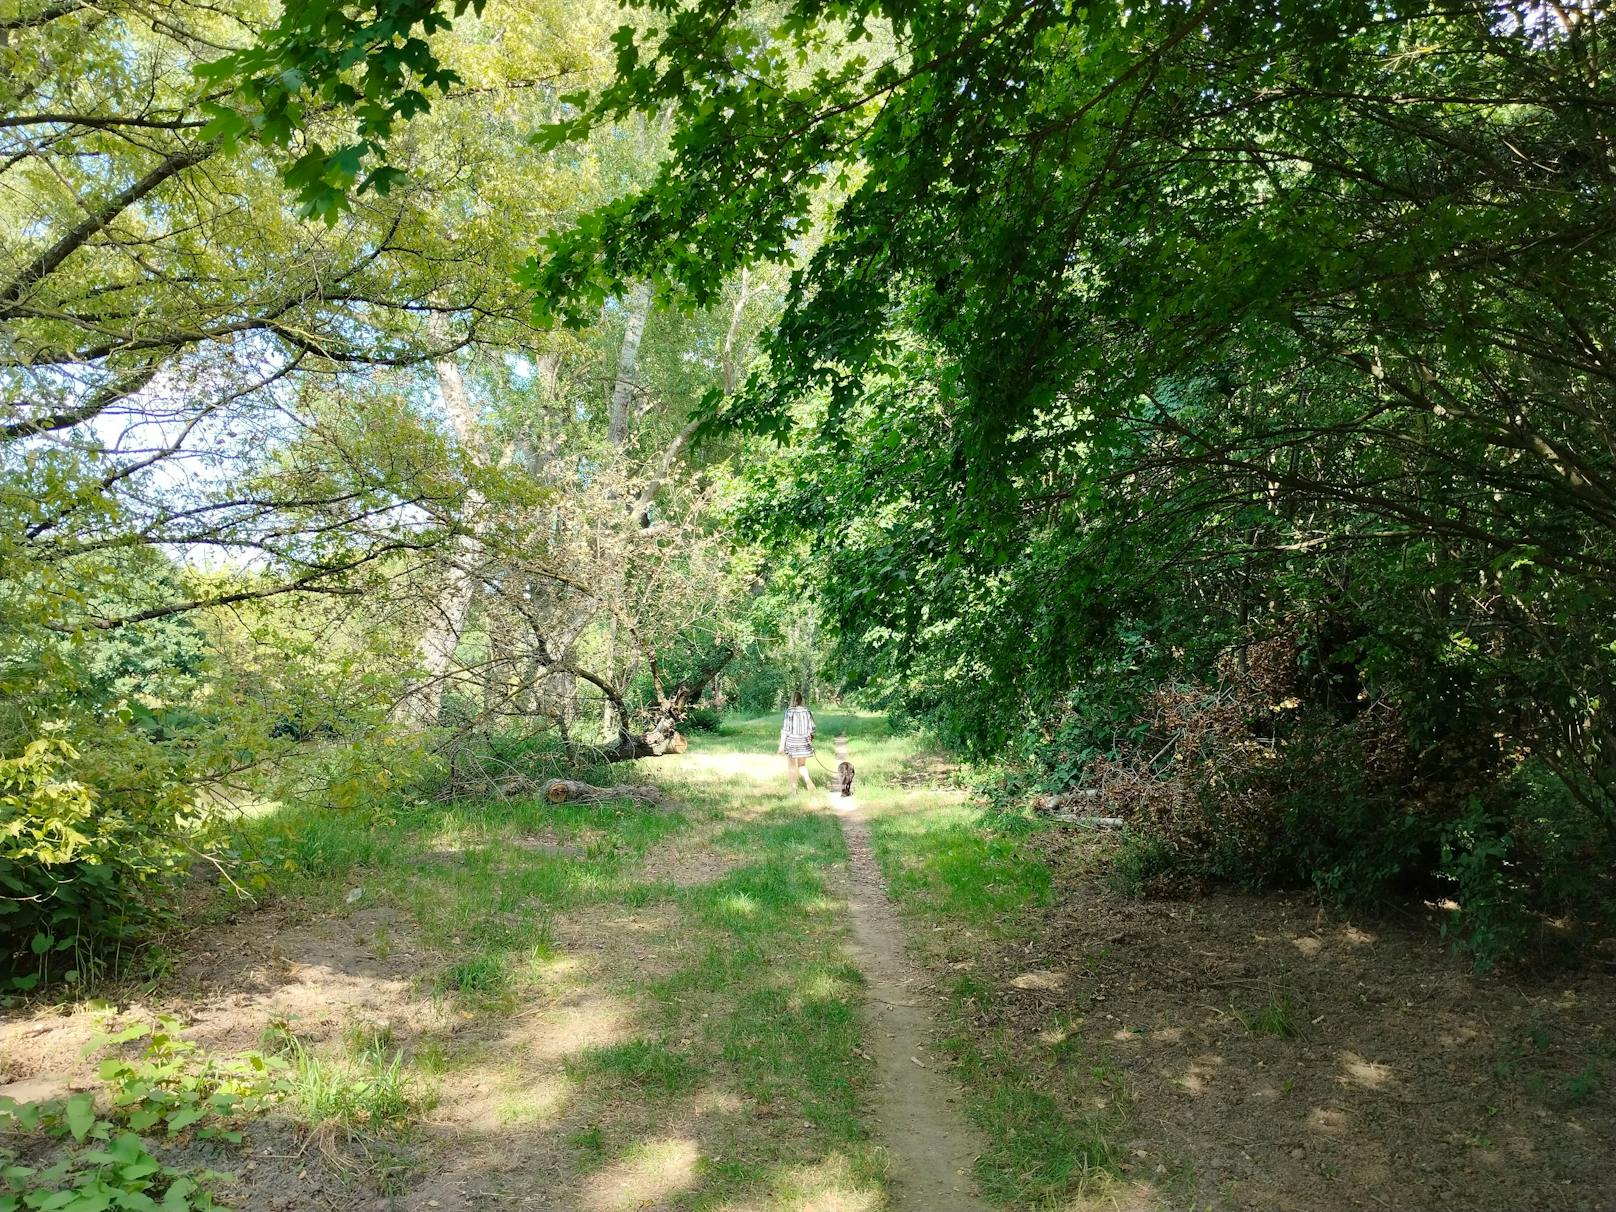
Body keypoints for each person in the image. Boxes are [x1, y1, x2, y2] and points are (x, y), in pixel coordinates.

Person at [778, 690, 816, 793]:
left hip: (792, 743)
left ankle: (794, 791)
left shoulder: (789, 712)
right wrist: (810, 739)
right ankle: (807, 780)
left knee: (791, 767)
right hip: (804, 742)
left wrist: (781, 746)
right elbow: (812, 729)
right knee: (802, 765)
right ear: (802, 700)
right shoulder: (807, 711)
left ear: (792, 700)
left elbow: (785, 730)